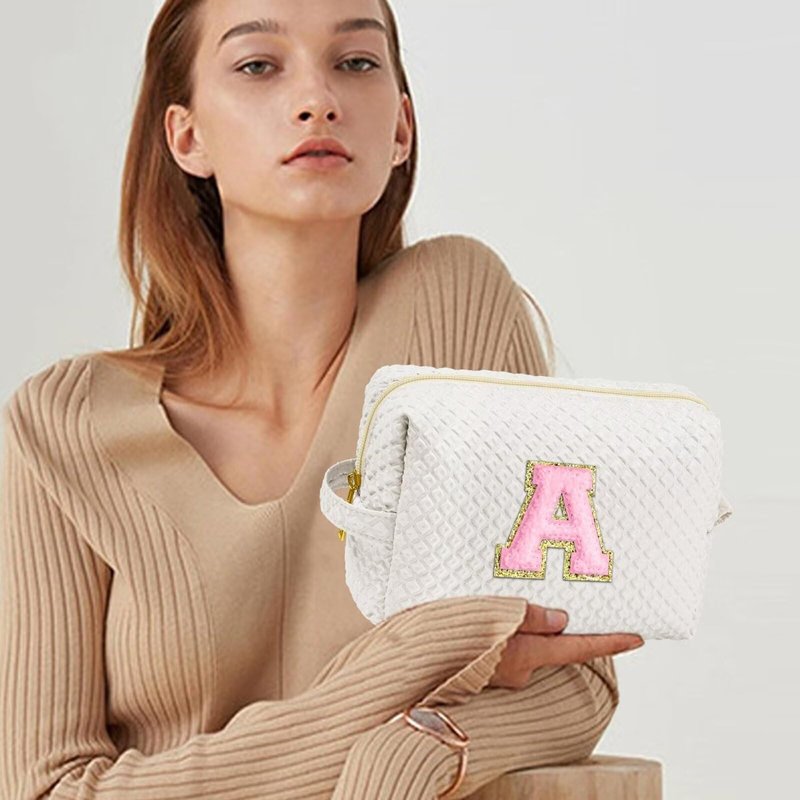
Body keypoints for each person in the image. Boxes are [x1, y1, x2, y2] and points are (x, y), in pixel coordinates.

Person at [0, 1, 645, 798]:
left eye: (355, 62)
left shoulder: (453, 310)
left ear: (400, 128)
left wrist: (409, 756)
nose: (317, 99)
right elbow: (47, 788)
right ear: (187, 137)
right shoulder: (64, 425)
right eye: (258, 66)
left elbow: (576, 671)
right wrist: (419, 656)